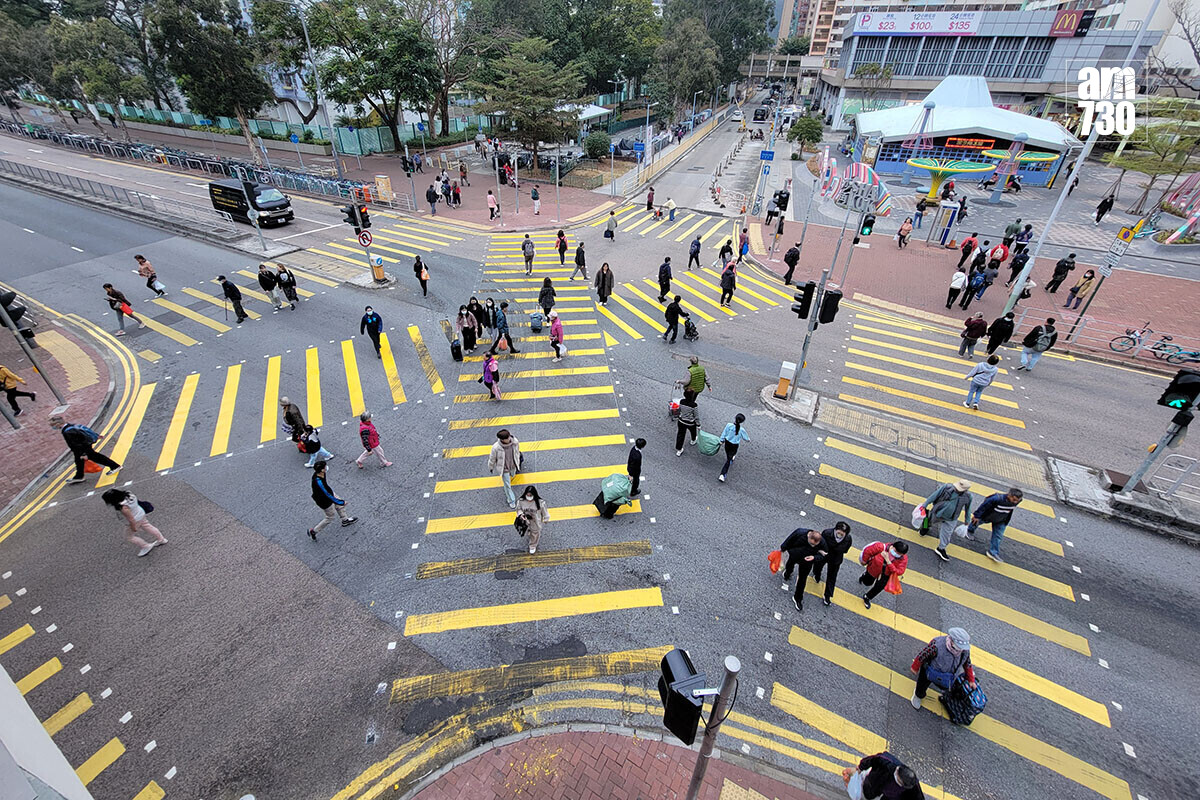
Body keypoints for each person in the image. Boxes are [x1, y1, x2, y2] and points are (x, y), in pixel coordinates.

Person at [910, 628, 976, 712]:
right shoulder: (937, 645)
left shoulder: (964, 651)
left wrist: (971, 680)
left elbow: (967, 663)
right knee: (922, 684)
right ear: (952, 641)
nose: (961, 650)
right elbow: (923, 655)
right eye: (960, 647)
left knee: (945, 686)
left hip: (948, 675)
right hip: (930, 670)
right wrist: (915, 667)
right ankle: (918, 695)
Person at [53, 414, 119, 483]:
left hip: (83, 448)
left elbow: (76, 443)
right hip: (83, 447)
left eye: (53, 425)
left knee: (96, 457)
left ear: (58, 424)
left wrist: (83, 454)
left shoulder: (67, 432)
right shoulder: (70, 426)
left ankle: (115, 466)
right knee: (79, 461)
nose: (53, 427)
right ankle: (79, 476)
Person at [101, 489, 167, 557]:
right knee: (148, 526)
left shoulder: (123, 507)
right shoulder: (129, 495)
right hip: (141, 513)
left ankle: (145, 546)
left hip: (136, 520)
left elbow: (131, 519)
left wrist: (133, 527)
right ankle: (161, 539)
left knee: (129, 537)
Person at [922, 479, 973, 562]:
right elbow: (935, 495)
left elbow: (968, 509)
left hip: (952, 518)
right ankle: (925, 527)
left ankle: (941, 548)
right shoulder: (947, 487)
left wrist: (967, 521)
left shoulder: (968, 497)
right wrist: (925, 504)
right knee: (928, 520)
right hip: (938, 512)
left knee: (947, 534)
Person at [968, 488, 1024, 562]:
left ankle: (993, 552)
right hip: (987, 516)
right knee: (976, 522)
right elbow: (984, 506)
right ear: (1009, 495)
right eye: (1014, 499)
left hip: (1001, 520)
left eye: (1017, 500)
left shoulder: (1018, 501)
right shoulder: (996, 498)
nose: (1015, 502)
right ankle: (969, 530)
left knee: (998, 536)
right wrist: (977, 516)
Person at [780, 528, 827, 612]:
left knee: (802, 579)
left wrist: (814, 557)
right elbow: (789, 540)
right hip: (795, 555)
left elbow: (824, 555)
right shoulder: (800, 533)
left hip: (807, 562)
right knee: (790, 565)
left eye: (815, 545)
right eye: (811, 543)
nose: (813, 546)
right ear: (809, 537)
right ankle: (787, 573)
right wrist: (783, 549)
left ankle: (797, 598)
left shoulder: (822, 542)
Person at [308, 459, 356, 540]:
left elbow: (327, 492)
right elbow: (327, 494)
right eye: (325, 467)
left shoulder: (320, 473)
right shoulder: (318, 481)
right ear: (322, 469)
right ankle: (314, 531)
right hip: (324, 501)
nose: (326, 467)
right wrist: (341, 502)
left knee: (339, 506)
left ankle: (345, 520)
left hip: (328, 493)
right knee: (330, 517)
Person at [848, 752, 924, 800]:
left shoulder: (912, 783)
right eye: (900, 783)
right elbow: (873, 759)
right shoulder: (887, 763)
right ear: (897, 773)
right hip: (877, 782)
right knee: (868, 794)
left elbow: (918, 797)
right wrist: (860, 767)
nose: (901, 785)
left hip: (892, 797)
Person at [858, 541, 908, 609]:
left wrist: (888, 562)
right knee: (867, 582)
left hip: (886, 575)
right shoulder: (881, 547)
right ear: (893, 546)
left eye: (899, 554)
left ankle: (867, 597)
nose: (896, 554)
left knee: (878, 587)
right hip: (873, 570)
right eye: (896, 551)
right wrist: (864, 561)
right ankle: (864, 576)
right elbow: (868, 551)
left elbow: (899, 571)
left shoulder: (903, 559)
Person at [812, 521, 852, 607]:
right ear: (835, 529)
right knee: (818, 566)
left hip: (835, 559)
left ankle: (827, 596)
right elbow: (820, 543)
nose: (840, 534)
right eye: (839, 532)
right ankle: (817, 575)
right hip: (825, 555)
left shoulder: (848, 539)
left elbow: (845, 550)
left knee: (832, 577)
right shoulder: (827, 533)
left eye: (843, 533)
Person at [488, 429, 521, 508]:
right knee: (507, 485)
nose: (509, 439)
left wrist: (518, 461)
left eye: (509, 437)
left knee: (512, 475)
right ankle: (511, 500)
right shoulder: (496, 447)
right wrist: (491, 467)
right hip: (504, 468)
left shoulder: (515, 442)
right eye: (507, 438)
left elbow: (517, 452)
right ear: (502, 439)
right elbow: (492, 458)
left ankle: (512, 475)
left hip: (513, 465)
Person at [515, 485, 549, 554]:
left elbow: (544, 511)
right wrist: (521, 514)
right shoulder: (521, 501)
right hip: (525, 521)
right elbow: (518, 509)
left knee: (535, 534)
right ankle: (530, 534)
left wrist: (546, 518)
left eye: (530, 495)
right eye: (527, 495)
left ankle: (533, 545)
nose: (529, 497)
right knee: (528, 531)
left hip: (535, 522)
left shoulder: (540, 503)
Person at [717, 413, 748, 482]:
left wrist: (721, 440)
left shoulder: (729, 425)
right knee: (729, 459)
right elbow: (746, 438)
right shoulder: (742, 430)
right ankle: (723, 474)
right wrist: (748, 439)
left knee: (728, 454)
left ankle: (730, 458)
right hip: (734, 445)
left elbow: (724, 433)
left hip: (727, 443)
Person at [675, 388, 699, 455]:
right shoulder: (694, 405)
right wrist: (698, 424)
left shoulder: (682, 401)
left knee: (680, 435)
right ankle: (693, 440)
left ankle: (679, 450)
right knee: (693, 431)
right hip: (690, 422)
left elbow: (679, 410)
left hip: (681, 421)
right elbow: (696, 416)